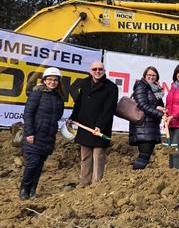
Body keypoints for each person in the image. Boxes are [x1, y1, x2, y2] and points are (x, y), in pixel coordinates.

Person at [68, 61, 118, 186]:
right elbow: (79, 102)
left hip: (101, 127)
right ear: (91, 71)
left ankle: (96, 184)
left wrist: (100, 126)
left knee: (98, 156)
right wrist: (73, 117)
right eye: (95, 69)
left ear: (104, 71)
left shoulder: (111, 87)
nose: (97, 71)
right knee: (85, 156)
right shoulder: (85, 83)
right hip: (85, 124)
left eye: (100, 69)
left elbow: (109, 109)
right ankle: (84, 182)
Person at [19, 67, 65, 199]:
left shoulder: (59, 97)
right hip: (35, 135)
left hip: (48, 136)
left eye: (55, 80)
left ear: (59, 82)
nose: (52, 82)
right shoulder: (37, 93)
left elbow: (58, 115)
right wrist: (29, 133)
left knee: (39, 164)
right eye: (49, 79)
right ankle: (24, 189)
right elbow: (28, 114)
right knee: (32, 163)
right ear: (44, 80)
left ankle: (33, 189)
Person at [129, 66, 165, 170]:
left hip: (150, 125)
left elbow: (158, 104)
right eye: (149, 75)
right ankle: (134, 177)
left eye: (154, 75)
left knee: (145, 155)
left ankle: (135, 176)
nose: (151, 77)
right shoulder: (141, 86)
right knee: (144, 155)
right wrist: (158, 113)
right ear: (144, 76)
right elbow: (142, 105)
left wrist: (159, 107)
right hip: (143, 125)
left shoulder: (156, 89)